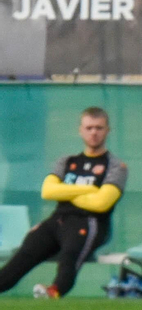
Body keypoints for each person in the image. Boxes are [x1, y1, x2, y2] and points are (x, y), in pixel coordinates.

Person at [0, 106, 126, 299]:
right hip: (57, 220)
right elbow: (48, 191)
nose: (94, 133)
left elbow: (101, 203)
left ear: (107, 131)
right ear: (80, 130)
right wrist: (89, 189)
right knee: (25, 252)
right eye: (89, 128)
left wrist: (65, 192)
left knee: (70, 254)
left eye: (99, 128)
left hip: (89, 222)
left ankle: (54, 291)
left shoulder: (116, 165)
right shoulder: (66, 162)